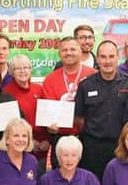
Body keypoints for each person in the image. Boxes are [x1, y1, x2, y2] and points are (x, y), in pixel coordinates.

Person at [75, 40, 128, 180]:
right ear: (97, 59)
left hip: (121, 148)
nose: (107, 61)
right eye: (103, 57)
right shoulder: (86, 85)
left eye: (111, 56)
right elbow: (79, 119)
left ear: (118, 57)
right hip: (92, 149)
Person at [42, 36, 97, 167]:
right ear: (59, 53)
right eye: (64, 50)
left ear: (80, 51)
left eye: (73, 49)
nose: (69, 53)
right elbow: (49, 112)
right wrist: (50, 126)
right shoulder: (50, 79)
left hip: (88, 138)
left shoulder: (94, 75)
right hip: (61, 138)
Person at [3, 54, 50, 163]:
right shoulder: (6, 93)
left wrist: (47, 140)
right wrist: (29, 142)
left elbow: (48, 116)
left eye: (25, 68)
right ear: (11, 72)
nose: (22, 71)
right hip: (18, 150)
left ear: (30, 70)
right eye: (17, 69)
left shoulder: (39, 89)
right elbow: (7, 125)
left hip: (41, 149)